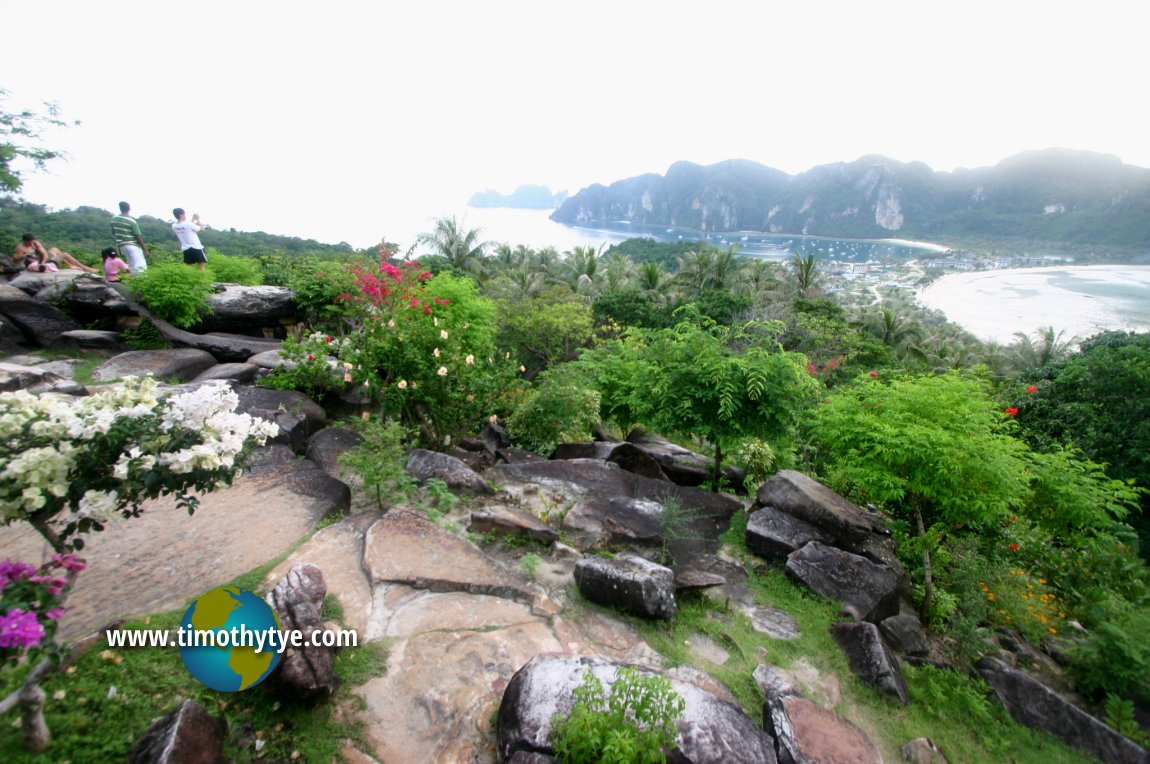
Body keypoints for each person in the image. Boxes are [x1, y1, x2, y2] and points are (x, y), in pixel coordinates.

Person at [11, 233, 99, 273]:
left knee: (55, 249)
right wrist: (24, 256)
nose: (31, 244)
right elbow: (15, 260)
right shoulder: (20, 248)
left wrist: (42, 262)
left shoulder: (35, 243)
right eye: (29, 242)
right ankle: (76, 266)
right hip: (34, 264)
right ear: (25, 241)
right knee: (64, 254)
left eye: (32, 242)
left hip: (44, 261)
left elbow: (44, 254)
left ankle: (80, 267)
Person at [110, 201, 150, 272]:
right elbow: (138, 237)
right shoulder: (132, 221)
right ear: (129, 208)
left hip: (122, 246)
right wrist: (145, 250)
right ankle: (140, 281)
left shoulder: (113, 220)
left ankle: (133, 280)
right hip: (132, 245)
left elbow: (114, 233)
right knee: (140, 266)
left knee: (132, 265)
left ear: (120, 208)